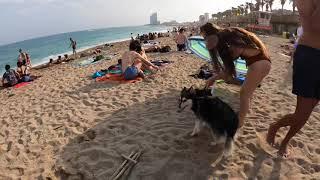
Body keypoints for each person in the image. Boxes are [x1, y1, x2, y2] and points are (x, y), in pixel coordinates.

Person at [267, 0, 320, 158]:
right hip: (311, 56)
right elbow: (315, 26)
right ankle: (274, 127)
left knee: (307, 113)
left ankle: (285, 141)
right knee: (301, 114)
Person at [200, 23, 271, 128]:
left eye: (205, 37)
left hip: (259, 63)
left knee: (244, 93)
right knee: (247, 93)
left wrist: (214, 78)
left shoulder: (225, 37)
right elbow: (229, 71)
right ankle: (242, 114)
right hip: (259, 62)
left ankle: (239, 122)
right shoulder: (227, 34)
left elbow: (237, 51)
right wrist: (215, 77)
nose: (205, 40)